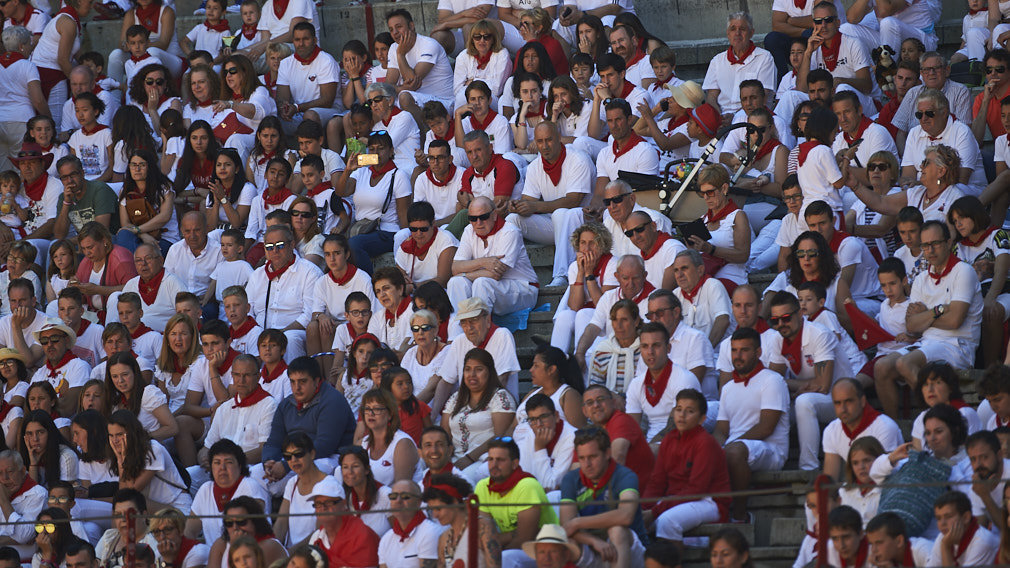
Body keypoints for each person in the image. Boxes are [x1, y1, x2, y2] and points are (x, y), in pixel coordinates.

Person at [764, 291, 851, 471]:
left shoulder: (819, 334)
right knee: (773, 405)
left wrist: (786, 384)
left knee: (804, 402)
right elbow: (772, 380)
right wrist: (796, 385)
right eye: (775, 320)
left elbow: (823, 385)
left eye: (786, 318)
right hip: (809, 395)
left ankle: (808, 467)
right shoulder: (777, 338)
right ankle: (771, 462)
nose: (781, 324)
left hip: (841, 398)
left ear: (800, 313)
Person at [714, 327, 789, 522]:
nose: (737, 356)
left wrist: (729, 447)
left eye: (744, 350)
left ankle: (740, 516)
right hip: (737, 447)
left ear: (758, 352)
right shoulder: (728, 387)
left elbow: (766, 428)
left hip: (771, 450)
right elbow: (721, 430)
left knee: (734, 451)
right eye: (734, 350)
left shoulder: (772, 380)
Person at [506, 122, 594, 288]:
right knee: (512, 219)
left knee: (562, 214)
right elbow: (528, 201)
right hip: (555, 225)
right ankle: (519, 276)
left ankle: (561, 275)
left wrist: (535, 207)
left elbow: (573, 200)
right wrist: (517, 206)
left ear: (559, 137)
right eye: (540, 141)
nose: (544, 146)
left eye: (549, 140)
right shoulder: (535, 166)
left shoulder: (578, 159)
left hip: (584, 225)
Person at [255, 356, 355, 496]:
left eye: (303, 382)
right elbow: (273, 442)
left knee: (292, 480)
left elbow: (325, 445)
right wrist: (269, 462)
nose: (297, 388)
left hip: (329, 458)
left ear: (316, 381)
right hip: (293, 458)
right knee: (253, 477)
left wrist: (285, 465)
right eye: (293, 382)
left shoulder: (333, 401)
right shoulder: (287, 404)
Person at [474, 437, 557, 568]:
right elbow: (483, 535)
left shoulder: (527, 485)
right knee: (475, 554)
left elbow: (524, 539)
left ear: (514, 463)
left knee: (506, 559)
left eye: (500, 460)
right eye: (490, 459)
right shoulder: (482, 486)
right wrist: (509, 536)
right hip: (511, 546)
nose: (494, 465)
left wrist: (495, 547)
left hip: (544, 549)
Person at [448, 196, 538, 315]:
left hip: (523, 287)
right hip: (493, 286)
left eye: (483, 217)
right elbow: (455, 268)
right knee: (456, 282)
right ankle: (460, 328)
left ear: (494, 215)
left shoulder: (510, 232)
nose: (478, 223)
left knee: (482, 283)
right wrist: (483, 262)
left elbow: (495, 274)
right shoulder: (469, 230)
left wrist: (464, 272)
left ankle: (481, 328)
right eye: (473, 218)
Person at [245, 225, 322, 359]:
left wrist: (280, 334)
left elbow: (309, 314)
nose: (275, 250)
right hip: (261, 333)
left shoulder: (309, 272)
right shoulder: (257, 275)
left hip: (295, 332)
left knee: (289, 339)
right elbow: (248, 310)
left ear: (292, 244)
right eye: (269, 247)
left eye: (280, 245)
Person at [900, 90, 985, 196]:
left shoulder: (962, 131)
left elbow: (960, 180)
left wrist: (920, 185)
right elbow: (907, 175)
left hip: (963, 194)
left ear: (944, 112)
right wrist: (908, 186)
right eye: (919, 114)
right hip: (922, 192)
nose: (924, 118)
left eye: (929, 113)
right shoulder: (914, 133)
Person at [107, 409, 191, 513]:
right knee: (123, 504)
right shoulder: (124, 455)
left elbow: (132, 491)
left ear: (131, 433)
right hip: (156, 509)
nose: (115, 441)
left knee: (130, 502)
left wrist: (123, 461)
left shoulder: (153, 449)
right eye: (111, 435)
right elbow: (123, 494)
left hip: (177, 506)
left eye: (119, 434)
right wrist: (120, 462)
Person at [383, 9, 455, 126]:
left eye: (399, 27)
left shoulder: (429, 44)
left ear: (411, 26)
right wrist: (400, 89)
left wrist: (401, 55)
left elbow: (413, 82)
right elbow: (388, 86)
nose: (395, 32)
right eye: (391, 29)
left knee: (404, 97)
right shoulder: (393, 47)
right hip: (419, 100)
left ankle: (423, 139)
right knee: (378, 99)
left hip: (443, 102)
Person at [703, 12, 775, 117]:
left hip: (752, 115)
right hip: (721, 116)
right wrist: (719, 118)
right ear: (728, 34)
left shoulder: (764, 58)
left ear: (751, 33)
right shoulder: (717, 60)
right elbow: (711, 97)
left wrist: (734, 117)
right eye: (733, 29)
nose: (737, 33)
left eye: (742, 29)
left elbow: (762, 98)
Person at [423, 473, 501, 567]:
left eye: (438, 509)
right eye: (432, 510)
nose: (435, 515)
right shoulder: (444, 539)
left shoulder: (483, 528)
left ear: (455, 502)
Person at [273, 433, 336, 548]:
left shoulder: (329, 486)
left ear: (312, 454)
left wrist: (288, 555)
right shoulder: (292, 483)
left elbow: (318, 534)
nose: (293, 460)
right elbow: (281, 523)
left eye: (299, 454)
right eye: (288, 456)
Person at [276, 23, 338, 136]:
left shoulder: (326, 60)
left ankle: (316, 153)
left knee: (310, 116)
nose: (301, 44)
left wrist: (297, 107)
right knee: (270, 120)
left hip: (328, 111)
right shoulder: (285, 63)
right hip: (298, 112)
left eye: (306, 39)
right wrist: (283, 108)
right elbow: (282, 97)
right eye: (297, 40)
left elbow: (327, 101)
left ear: (315, 40)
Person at [0, 27, 48, 174]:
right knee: (23, 169)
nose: (30, 47)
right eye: (29, 44)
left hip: (0, 119)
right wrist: (48, 119)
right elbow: (38, 100)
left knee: (3, 171)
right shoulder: (28, 66)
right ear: (21, 46)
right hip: (22, 120)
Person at [307, 477, 381, 568]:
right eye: (318, 503)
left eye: (329, 502)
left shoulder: (362, 536)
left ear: (343, 504)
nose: (323, 508)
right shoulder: (316, 538)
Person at [671, 250, 732, 346]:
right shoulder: (675, 295)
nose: (679, 275)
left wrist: (705, 350)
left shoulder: (713, 285)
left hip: (716, 354)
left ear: (700, 270)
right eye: (676, 270)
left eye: (684, 268)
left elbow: (723, 320)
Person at [377, 479, 440, 568]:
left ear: (418, 502)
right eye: (393, 496)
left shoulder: (430, 532)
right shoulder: (386, 539)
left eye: (405, 496)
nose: (398, 501)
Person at [52, 156, 117, 241]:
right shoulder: (64, 197)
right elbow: (59, 235)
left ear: (82, 173)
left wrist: (68, 242)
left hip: (107, 241)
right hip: (84, 244)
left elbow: (100, 231)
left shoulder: (100, 190)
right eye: (64, 177)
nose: (69, 181)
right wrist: (66, 203)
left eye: (73, 174)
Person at [927, 490, 999, 566]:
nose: (942, 523)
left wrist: (946, 547)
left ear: (966, 517)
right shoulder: (943, 537)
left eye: (948, 517)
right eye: (938, 518)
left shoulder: (983, 542)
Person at [0, 449, 47, 544]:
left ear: (23, 471)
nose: (5, 478)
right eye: (0, 473)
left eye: (9, 471)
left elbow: (23, 536)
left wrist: (4, 501)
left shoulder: (39, 494)